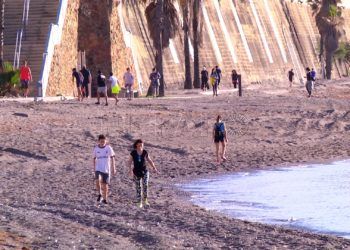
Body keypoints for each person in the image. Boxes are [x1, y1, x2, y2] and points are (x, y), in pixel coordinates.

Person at [127, 139, 158, 208]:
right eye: (139, 144)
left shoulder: (145, 152)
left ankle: (145, 200)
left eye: (142, 144)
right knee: (138, 187)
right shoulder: (133, 152)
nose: (141, 145)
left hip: (145, 171)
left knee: (145, 185)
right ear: (136, 145)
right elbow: (129, 162)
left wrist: (154, 167)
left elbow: (149, 160)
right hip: (136, 172)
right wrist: (130, 170)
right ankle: (139, 202)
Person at [93, 134, 116, 204]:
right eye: (101, 141)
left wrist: (113, 167)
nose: (102, 143)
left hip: (106, 169)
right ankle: (100, 194)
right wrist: (94, 168)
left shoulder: (108, 148)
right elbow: (94, 158)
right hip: (98, 168)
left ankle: (105, 199)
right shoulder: (96, 149)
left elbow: (112, 157)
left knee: (105, 185)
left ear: (106, 141)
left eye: (104, 141)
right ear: (98, 141)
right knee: (98, 180)